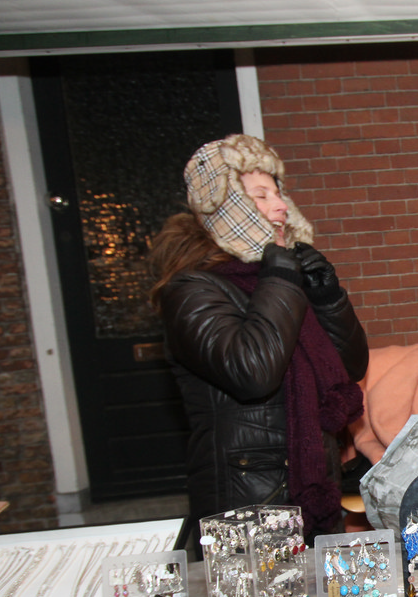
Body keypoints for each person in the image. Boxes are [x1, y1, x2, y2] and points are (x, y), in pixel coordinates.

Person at [150, 134, 368, 541]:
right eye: (261, 196)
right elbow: (253, 372)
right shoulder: (192, 291)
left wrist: (327, 298)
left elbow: (351, 366)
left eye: (278, 193)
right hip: (248, 503)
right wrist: (281, 276)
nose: (281, 206)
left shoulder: (280, 283)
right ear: (228, 206)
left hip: (314, 488)